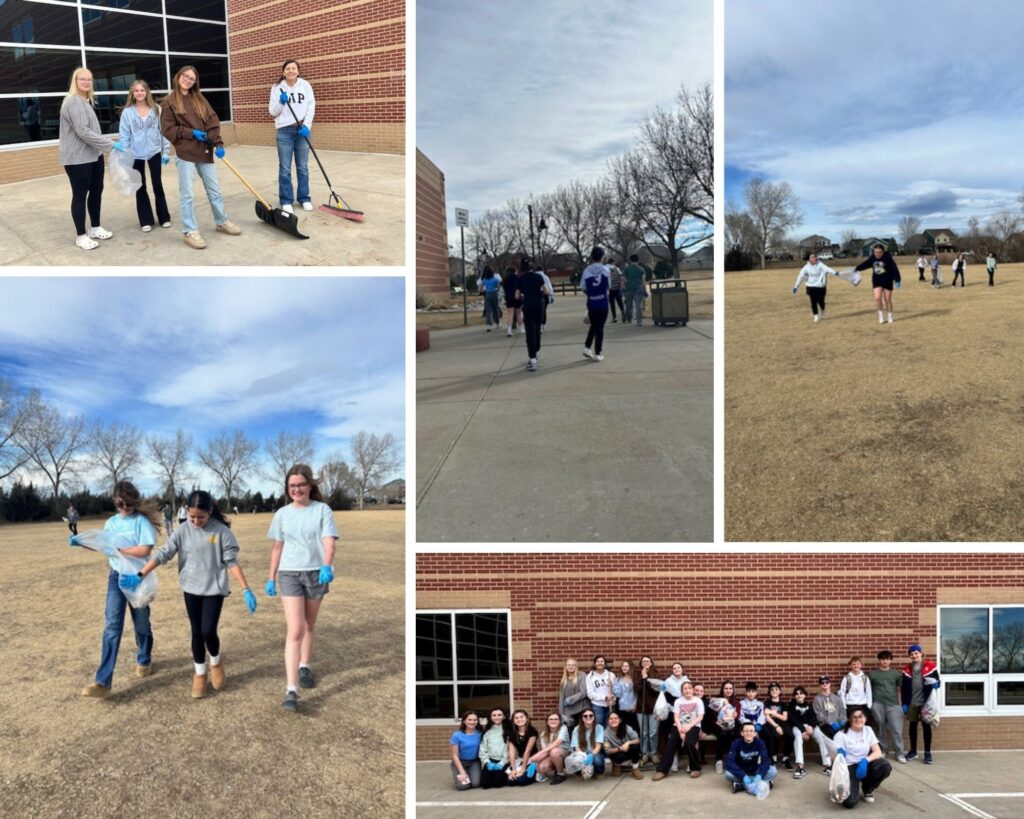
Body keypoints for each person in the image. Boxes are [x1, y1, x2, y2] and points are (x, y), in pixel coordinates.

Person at [125, 490, 256, 698]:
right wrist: (140, 574)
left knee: (208, 631)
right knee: (196, 631)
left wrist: (246, 589)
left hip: (214, 590)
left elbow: (231, 561)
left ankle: (215, 662)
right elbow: (164, 553)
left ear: (210, 511)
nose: (195, 521)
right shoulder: (183, 530)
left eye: (201, 517)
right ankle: (200, 674)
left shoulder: (221, 532)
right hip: (191, 588)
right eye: (192, 516)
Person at [265, 464, 339, 712]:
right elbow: (277, 547)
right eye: (292, 485)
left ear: (310, 486)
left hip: (316, 573)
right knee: (295, 629)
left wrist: (326, 565)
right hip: (289, 573)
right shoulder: (282, 514)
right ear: (288, 489)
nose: (297, 489)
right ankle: (291, 689)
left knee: (309, 624)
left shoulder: (322, 510)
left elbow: (329, 543)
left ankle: (304, 665)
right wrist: (270, 577)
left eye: (301, 484)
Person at [78, 480, 159, 697]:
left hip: (138, 577)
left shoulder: (141, 522)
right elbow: (105, 546)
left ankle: (144, 657)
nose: (124, 508)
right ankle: (103, 682)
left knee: (141, 623)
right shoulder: (111, 523)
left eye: (128, 504)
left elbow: (145, 549)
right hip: (116, 577)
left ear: (134, 501)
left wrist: (123, 550)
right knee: (112, 625)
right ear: (114, 501)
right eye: (120, 504)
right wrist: (82, 542)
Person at [160, 65, 241, 250]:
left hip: (204, 151)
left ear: (195, 81)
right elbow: (168, 129)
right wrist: (191, 133)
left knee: (215, 190)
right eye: (185, 76)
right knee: (187, 194)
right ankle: (190, 231)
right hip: (185, 153)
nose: (188, 80)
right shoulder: (169, 102)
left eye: (192, 78)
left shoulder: (199, 98)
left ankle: (222, 222)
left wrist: (218, 143)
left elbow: (212, 121)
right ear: (178, 76)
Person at [59, 68, 115, 251]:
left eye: (89, 79)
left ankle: (95, 228)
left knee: (96, 191)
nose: (86, 82)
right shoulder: (74, 102)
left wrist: (102, 148)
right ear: (75, 81)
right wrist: (110, 144)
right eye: (82, 79)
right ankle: (81, 236)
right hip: (78, 159)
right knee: (80, 195)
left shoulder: (85, 101)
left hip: (93, 155)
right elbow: (83, 131)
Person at [117, 79, 171, 232]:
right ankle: (145, 220)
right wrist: (125, 157)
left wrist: (165, 151)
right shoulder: (127, 113)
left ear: (147, 92)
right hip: (136, 154)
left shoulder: (156, 109)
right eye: (136, 90)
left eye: (142, 90)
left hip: (154, 152)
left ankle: (164, 217)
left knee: (157, 184)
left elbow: (164, 132)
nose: (139, 93)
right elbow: (124, 136)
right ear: (132, 94)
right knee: (140, 186)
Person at [269, 58, 315, 213]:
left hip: (302, 130)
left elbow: (311, 105)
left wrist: (307, 125)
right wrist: (281, 103)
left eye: (294, 68)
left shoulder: (305, 85)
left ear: (298, 71)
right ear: (283, 72)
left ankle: (304, 198)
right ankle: (286, 200)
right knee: (285, 168)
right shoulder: (277, 88)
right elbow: (272, 112)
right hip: (284, 132)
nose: (291, 71)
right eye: (288, 68)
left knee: (302, 167)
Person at [831, 707, 892, 808]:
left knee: (884, 766)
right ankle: (851, 785)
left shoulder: (868, 730)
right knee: (850, 803)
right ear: (850, 719)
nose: (858, 719)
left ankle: (867, 788)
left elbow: (878, 752)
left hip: (864, 764)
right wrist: (838, 754)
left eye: (860, 716)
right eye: (854, 717)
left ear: (865, 718)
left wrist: (865, 760)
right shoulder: (840, 735)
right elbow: (833, 758)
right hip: (849, 767)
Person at [653, 680, 704, 780]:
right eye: (685, 688)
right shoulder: (678, 701)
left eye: (689, 688)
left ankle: (695, 768)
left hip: (693, 726)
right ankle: (662, 770)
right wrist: (680, 729)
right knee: (671, 743)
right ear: (682, 691)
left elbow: (700, 717)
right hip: (678, 726)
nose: (687, 690)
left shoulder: (698, 701)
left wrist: (688, 727)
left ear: (693, 690)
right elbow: (676, 717)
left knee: (689, 743)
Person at [902, 644, 940, 764]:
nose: (914, 656)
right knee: (912, 727)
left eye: (916, 653)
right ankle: (913, 751)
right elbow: (904, 688)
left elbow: (938, 682)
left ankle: (927, 752)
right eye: (911, 654)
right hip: (912, 703)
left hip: (926, 703)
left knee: (926, 727)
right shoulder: (907, 669)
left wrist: (936, 684)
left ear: (921, 654)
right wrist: (905, 703)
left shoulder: (930, 666)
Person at [649, 661, 690, 769]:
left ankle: (683, 756)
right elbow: (664, 696)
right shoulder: (667, 681)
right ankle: (673, 758)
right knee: (670, 735)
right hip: (671, 711)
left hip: (684, 711)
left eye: (678, 668)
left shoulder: (687, 681)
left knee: (683, 733)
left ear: (682, 669)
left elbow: (688, 695)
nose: (676, 670)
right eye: (674, 668)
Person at [515, 256, 551, 372]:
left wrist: (523, 295)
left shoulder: (520, 279)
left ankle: (533, 359)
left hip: (528, 305)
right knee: (537, 329)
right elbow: (546, 291)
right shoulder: (539, 276)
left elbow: (516, 295)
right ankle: (537, 350)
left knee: (530, 331)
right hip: (539, 305)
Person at [869, 650, 906, 763]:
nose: (885, 661)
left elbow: (899, 689)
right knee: (880, 728)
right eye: (883, 659)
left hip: (893, 704)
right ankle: (883, 750)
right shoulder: (872, 674)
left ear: (890, 660)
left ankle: (899, 753)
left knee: (896, 729)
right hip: (878, 703)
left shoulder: (896, 674)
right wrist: (871, 704)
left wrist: (900, 704)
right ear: (879, 660)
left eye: (887, 659)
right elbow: (868, 690)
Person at [724, 721, 777, 796]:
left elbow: (766, 761)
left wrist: (759, 775)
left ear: (755, 733)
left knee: (773, 771)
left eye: (751, 731)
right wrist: (744, 776)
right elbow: (729, 762)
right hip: (741, 771)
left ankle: (741, 786)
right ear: (742, 733)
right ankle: (763, 784)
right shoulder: (736, 743)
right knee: (728, 774)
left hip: (755, 770)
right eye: (746, 731)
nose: (748, 733)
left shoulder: (760, 743)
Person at [854, 243, 901, 324]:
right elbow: (865, 264)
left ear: (883, 252)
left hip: (887, 280)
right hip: (877, 281)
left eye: (879, 252)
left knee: (888, 299)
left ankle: (890, 317)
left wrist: (897, 279)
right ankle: (881, 317)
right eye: (876, 252)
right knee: (877, 298)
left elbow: (894, 269)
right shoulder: (872, 258)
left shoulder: (888, 258)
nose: (877, 254)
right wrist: (857, 268)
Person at [581, 246, 611, 361]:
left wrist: (591, 293)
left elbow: (583, 287)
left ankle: (587, 347)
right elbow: (608, 285)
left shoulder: (587, 270)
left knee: (595, 325)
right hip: (603, 301)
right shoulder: (605, 270)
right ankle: (598, 352)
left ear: (592, 257)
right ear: (602, 257)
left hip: (592, 302)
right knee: (600, 327)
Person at [813, 675, 847, 774]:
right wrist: (831, 722)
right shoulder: (817, 699)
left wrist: (842, 722)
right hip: (825, 725)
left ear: (830, 684)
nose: (824, 684)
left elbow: (842, 712)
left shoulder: (837, 698)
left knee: (846, 735)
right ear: (820, 685)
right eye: (822, 683)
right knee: (833, 735)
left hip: (838, 724)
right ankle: (831, 764)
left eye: (826, 682)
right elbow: (819, 715)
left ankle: (845, 760)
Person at [792, 252, 839, 322]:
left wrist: (834, 272)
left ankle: (823, 311)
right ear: (809, 259)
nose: (814, 258)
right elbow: (800, 277)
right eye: (812, 257)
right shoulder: (806, 267)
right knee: (813, 302)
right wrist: (796, 286)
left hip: (820, 286)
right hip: (810, 286)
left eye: (815, 257)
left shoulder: (820, 264)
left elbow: (827, 268)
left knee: (820, 301)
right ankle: (815, 315)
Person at [708, 679, 740, 773]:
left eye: (730, 688)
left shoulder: (736, 702)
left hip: (732, 725)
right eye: (726, 688)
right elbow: (713, 717)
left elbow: (736, 717)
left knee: (732, 734)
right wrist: (720, 724)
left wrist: (734, 714)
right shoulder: (717, 700)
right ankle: (719, 761)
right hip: (717, 725)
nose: (728, 690)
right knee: (722, 734)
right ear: (722, 689)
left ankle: (731, 760)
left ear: (733, 690)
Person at [786, 685, 815, 778]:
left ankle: (827, 765)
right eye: (797, 694)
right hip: (797, 727)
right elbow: (793, 719)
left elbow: (813, 717)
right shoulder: (791, 705)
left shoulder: (809, 705)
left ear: (805, 695)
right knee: (798, 738)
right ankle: (800, 766)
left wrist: (811, 726)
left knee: (821, 737)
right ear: (794, 696)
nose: (799, 695)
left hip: (808, 727)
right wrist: (803, 731)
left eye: (801, 693)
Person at [637, 655, 661, 767]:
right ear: (641, 663)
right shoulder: (637, 675)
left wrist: (647, 678)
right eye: (643, 661)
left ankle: (654, 753)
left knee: (653, 732)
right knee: (644, 732)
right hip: (641, 708)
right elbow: (637, 689)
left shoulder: (656, 674)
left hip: (653, 708)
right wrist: (642, 678)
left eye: (648, 661)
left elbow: (657, 690)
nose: (646, 662)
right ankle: (645, 753)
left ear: (651, 663)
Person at [604, 711, 643, 779]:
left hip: (628, 750)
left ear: (620, 720)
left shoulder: (626, 728)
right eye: (611, 719)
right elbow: (607, 750)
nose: (613, 720)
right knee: (616, 774)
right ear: (607, 721)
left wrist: (628, 743)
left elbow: (638, 740)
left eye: (616, 718)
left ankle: (635, 769)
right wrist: (620, 748)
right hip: (617, 753)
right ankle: (616, 764)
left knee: (635, 747)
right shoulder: (605, 734)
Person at [533, 712, 570, 784]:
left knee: (554, 751)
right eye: (551, 719)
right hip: (552, 755)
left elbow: (557, 743)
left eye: (556, 719)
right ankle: (557, 767)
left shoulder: (563, 728)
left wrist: (539, 753)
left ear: (559, 721)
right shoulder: (543, 734)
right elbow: (546, 752)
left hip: (565, 755)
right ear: (547, 722)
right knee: (542, 767)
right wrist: (535, 761)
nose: (553, 721)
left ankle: (560, 774)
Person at [450, 711, 483, 790]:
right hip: (460, 761)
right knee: (463, 786)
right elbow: (454, 755)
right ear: (464, 721)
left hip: (474, 762)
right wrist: (462, 772)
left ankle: (470, 773)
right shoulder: (457, 735)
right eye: (469, 720)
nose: (472, 722)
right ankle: (463, 772)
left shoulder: (480, 733)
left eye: (475, 720)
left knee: (476, 784)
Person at [479, 708, 511, 788]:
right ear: (490, 717)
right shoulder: (487, 731)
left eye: (499, 715)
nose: (497, 717)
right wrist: (486, 761)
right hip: (490, 760)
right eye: (494, 715)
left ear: (504, 717)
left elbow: (508, 748)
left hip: (503, 761)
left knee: (498, 783)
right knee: (485, 785)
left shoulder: (508, 730)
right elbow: (483, 748)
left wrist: (502, 763)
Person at [839, 657, 873, 731]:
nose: (856, 666)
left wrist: (869, 706)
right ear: (850, 666)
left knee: (865, 727)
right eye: (853, 664)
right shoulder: (846, 678)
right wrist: (844, 707)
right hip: (850, 705)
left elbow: (869, 692)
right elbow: (842, 693)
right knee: (851, 726)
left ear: (861, 665)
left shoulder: (865, 678)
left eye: (858, 664)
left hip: (863, 705)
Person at [571, 709, 606, 780]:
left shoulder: (599, 728)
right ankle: (579, 772)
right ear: (582, 718)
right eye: (585, 716)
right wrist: (583, 756)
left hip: (595, 753)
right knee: (575, 761)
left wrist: (591, 755)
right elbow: (576, 747)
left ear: (594, 717)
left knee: (598, 761)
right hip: (581, 752)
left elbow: (598, 746)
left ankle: (599, 772)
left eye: (591, 715)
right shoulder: (576, 729)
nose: (588, 717)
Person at [506, 709, 538, 786]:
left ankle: (536, 773)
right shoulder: (512, 733)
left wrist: (523, 769)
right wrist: (513, 769)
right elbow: (511, 752)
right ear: (513, 720)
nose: (519, 719)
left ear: (527, 718)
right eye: (516, 718)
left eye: (521, 717)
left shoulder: (532, 731)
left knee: (522, 781)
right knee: (510, 782)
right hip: (520, 760)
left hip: (532, 760)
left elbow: (528, 751)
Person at [762, 682, 789, 764]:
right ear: (769, 692)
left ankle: (786, 757)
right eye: (772, 690)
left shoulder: (783, 704)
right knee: (775, 736)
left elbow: (784, 718)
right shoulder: (766, 703)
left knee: (790, 735)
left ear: (780, 691)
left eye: (776, 689)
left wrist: (773, 713)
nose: (774, 691)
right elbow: (766, 716)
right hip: (771, 723)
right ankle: (774, 756)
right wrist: (776, 726)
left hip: (782, 724)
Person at [558, 658, 588, 730]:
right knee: (570, 733)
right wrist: (561, 713)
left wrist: (570, 700)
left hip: (581, 709)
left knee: (581, 732)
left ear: (576, 666)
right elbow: (562, 697)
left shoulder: (582, 675)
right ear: (565, 666)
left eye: (573, 665)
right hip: (569, 712)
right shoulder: (564, 679)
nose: (571, 667)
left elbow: (583, 692)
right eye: (568, 665)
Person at [585, 654, 615, 728]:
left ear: (605, 663)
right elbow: (590, 694)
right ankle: (600, 740)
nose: (600, 663)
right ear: (595, 663)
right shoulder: (590, 676)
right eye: (598, 661)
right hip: (597, 706)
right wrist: (604, 697)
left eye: (602, 661)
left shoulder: (611, 675)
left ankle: (608, 740)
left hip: (610, 704)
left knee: (610, 726)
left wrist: (613, 699)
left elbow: (616, 691)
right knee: (599, 726)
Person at [612, 659, 640, 734]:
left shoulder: (635, 679)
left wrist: (635, 705)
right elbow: (618, 694)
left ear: (630, 667)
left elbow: (638, 694)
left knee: (634, 728)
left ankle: (634, 745)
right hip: (621, 708)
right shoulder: (618, 680)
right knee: (622, 728)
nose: (624, 668)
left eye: (627, 666)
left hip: (633, 708)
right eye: (623, 666)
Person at [621, 254, 649, 325]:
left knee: (628, 305)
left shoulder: (627, 269)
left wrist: (623, 288)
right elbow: (643, 281)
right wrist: (645, 290)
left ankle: (629, 319)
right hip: (638, 288)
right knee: (638, 305)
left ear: (630, 260)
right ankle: (639, 321)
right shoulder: (641, 269)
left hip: (629, 288)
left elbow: (623, 279)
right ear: (638, 260)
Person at [478, 266, 502, 331]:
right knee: (495, 309)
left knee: (488, 310)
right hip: (494, 294)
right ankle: (497, 323)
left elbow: (481, 289)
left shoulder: (484, 280)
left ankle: (488, 325)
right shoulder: (495, 279)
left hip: (487, 294)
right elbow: (499, 288)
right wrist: (496, 290)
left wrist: (484, 291)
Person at [502, 266, 523, 336]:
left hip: (508, 297)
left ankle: (509, 330)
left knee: (509, 313)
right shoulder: (518, 278)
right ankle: (520, 329)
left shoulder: (505, 279)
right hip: (517, 296)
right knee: (519, 313)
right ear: (515, 271)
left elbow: (504, 288)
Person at [607, 257, 625, 322]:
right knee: (620, 301)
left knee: (612, 303)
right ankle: (623, 312)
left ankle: (614, 317)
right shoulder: (617, 268)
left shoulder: (605, 268)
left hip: (609, 288)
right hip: (617, 287)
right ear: (613, 262)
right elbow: (621, 277)